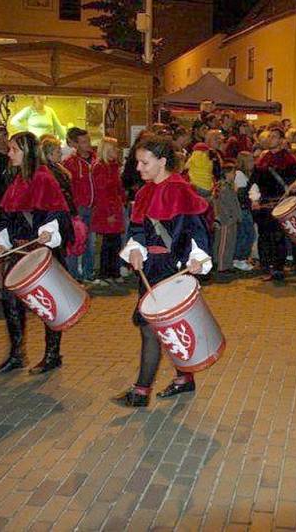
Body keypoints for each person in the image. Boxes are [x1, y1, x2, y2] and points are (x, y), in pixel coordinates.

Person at [116, 136, 212, 406]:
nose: (138, 168)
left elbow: (197, 230)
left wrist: (197, 257)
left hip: (174, 269)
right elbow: (137, 229)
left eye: (144, 162)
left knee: (151, 329)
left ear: (162, 161)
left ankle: (140, 392)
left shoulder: (181, 190)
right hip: (150, 268)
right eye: (137, 161)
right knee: (167, 327)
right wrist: (135, 248)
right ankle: (185, 378)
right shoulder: (144, 192)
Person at [0, 132, 74, 374]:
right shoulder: (15, 181)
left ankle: (52, 355)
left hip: (41, 254)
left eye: (14, 149)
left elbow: (57, 213)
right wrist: (1, 239)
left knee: (48, 304)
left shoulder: (44, 178)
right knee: (10, 302)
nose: (9, 153)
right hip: (20, 251)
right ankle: (16, 354)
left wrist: (48, 229)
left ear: (27, 152)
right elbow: (7, 216)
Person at [249, 127, 296, 281]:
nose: (270, 139)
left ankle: (278, 269)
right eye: (270, 136)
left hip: (281, 205)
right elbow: (254, 182)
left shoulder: (290, 160)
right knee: (264, 237)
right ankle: (266, 267)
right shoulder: (262, 159)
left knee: (278, 237)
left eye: (274, 137)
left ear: (281, 140)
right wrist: (254, 199)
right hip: (264, 206)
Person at [62, 127, 97, 281]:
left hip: (94, 206)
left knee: (91, 242)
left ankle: (88, 273)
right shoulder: (69, 163)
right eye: (83, 142)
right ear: (75, 144)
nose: (88, 144)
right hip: (79, 208)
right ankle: (74, 276)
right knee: (76, 242)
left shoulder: (97, 159)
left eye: (88, 140)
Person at [91, 137, 126, 284]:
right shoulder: (101, 168)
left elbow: (117, 189)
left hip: (115, 208)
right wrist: (109, 213)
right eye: (113, 149)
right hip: (107, 210)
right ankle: (105, 274)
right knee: (107, 244)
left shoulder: (113, 167)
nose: (116, 151)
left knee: (115, 242)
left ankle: (113, 272)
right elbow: (102, 193)